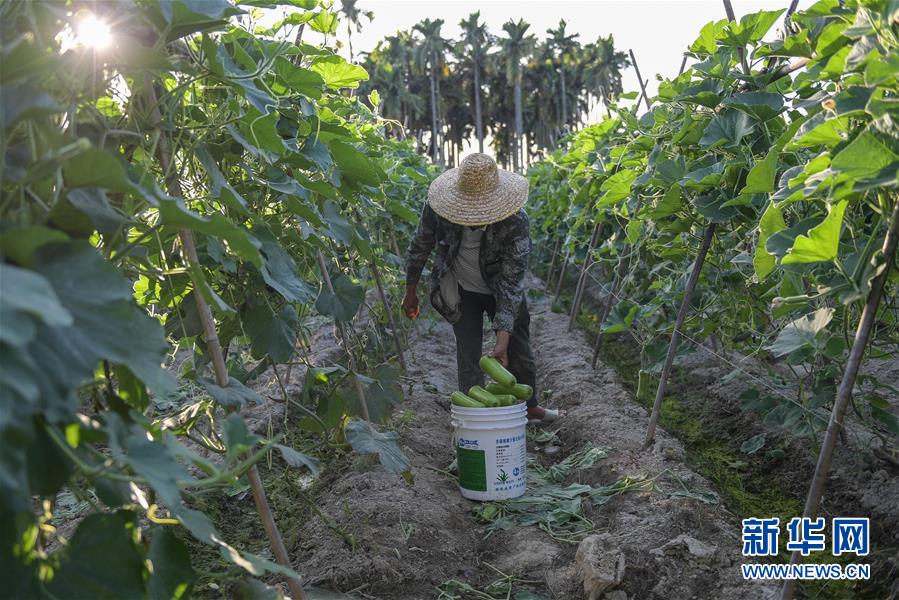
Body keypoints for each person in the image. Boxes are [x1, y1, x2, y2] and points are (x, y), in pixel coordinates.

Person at [401, 153, 558, 424]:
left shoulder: (515, 222)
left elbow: (511, 282)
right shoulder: (437, 209)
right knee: (468, 349)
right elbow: (420, 246)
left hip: (500, 288)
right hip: (461, 287)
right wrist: (410, 290)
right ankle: (474, 417)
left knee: (519, 346)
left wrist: (502, 338)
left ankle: (530, 407)